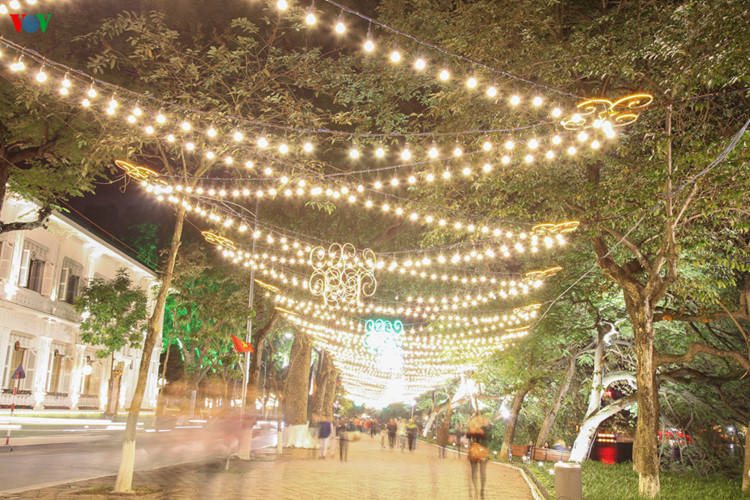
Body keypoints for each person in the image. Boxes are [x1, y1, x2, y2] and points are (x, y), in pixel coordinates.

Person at [466, 412, 490, 499]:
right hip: (473, 451)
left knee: (482, 472)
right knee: (474, 471)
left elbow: (488, 438)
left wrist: (481, 431)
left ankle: (482, 490)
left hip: (483, 451)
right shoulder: (472, 428)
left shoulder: (485, 428)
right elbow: (468, 436)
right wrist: (472, 431)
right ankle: (476, 489)